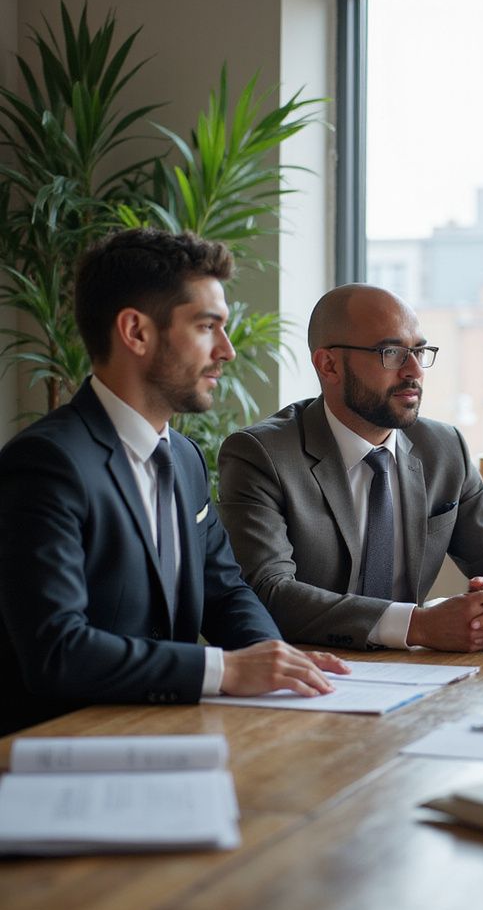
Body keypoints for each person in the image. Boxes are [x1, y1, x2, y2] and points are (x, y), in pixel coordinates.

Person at [0, 229, 348, 737]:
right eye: (208, 326)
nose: (227, 351)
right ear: (136, 332)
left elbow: (224, 591)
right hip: (64, 748)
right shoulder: (46, 463)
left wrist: (275, 661)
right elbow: (58, 650)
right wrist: (225, 670)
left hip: (170, 731)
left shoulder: (183, 457)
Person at [217, 283, 483, 653]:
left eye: (419, 351)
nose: (414, 370)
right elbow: (268, 592)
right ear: (328, 365)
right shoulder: (261, 454)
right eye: (391, 352)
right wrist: (419, 626)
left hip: (413, 677)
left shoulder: (443, 448)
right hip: (304, 675)